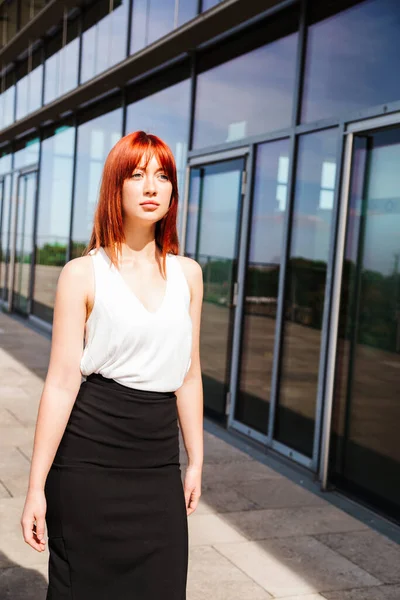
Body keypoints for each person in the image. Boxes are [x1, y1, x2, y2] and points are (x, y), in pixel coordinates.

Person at [20, 131, 204, 599]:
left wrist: (196, 458)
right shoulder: (82, 274)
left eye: (162, 176)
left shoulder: (189, 275)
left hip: (157, 468)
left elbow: (188, 373)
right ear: (115, 187)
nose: (151, 187)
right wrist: (35, 486)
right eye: (137, 175)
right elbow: (61, 383)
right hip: (87, 468)